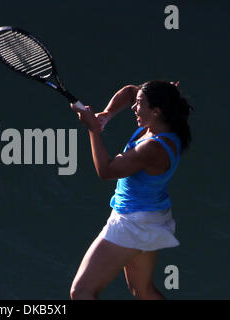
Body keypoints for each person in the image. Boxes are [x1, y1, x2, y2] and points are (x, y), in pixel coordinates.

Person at [69, 80, 193, 300]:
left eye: (139, 105)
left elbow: (106, 171)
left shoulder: (152, 147)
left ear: (156, 111)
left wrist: (93, 129)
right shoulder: (163, 124)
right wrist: (106, 114)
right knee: (143, 291)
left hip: (132, 223)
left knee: (81, 292)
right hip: (152, 218)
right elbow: (128, 92)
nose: (134, 107)